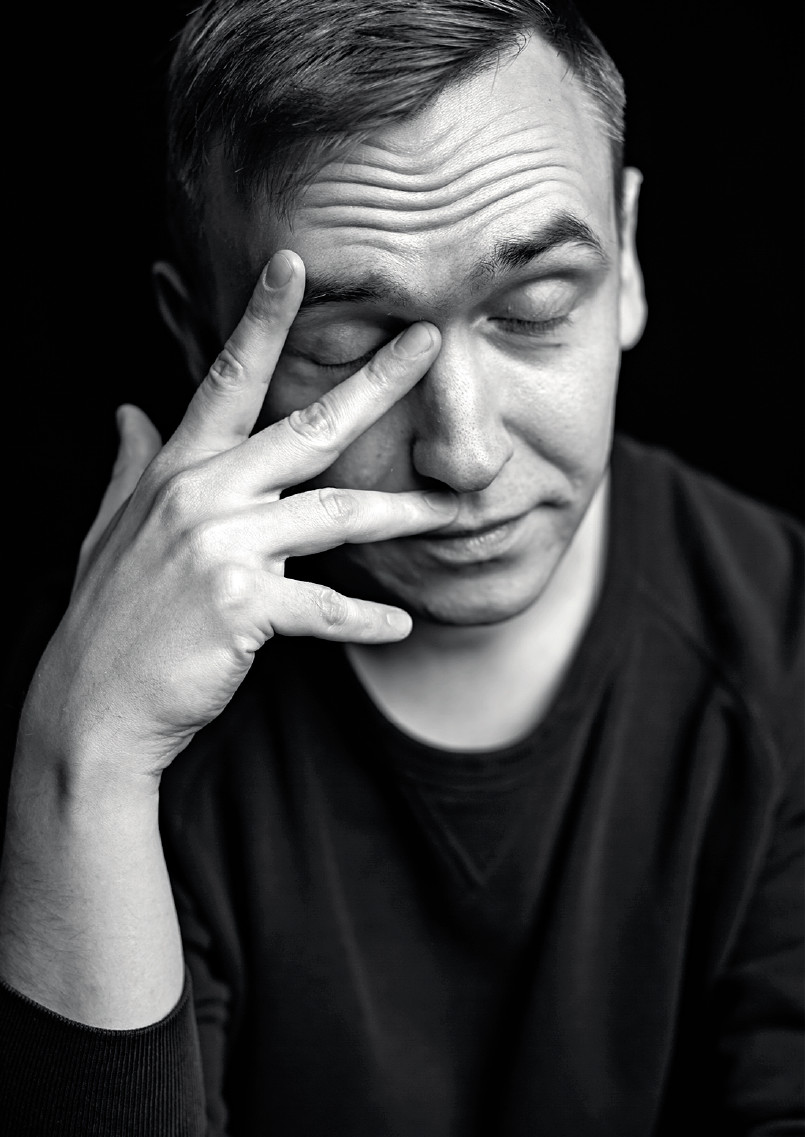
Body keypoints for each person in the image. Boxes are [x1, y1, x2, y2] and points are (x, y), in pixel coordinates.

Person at [1, 0, 802, 1133]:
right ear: (199, 339)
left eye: (533, 308)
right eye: (348, 348)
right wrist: (83, 763)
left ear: (625, 262)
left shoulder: (782, 642)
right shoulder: (121, 702)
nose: (463, 452)